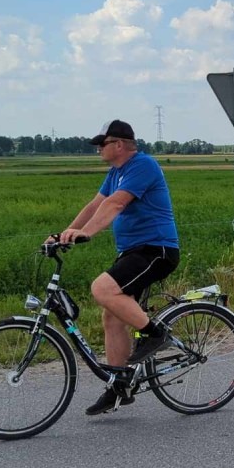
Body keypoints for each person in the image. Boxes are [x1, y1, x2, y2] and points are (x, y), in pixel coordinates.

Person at [56, 120, 180, 415]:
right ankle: (119, 387)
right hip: (134, 251)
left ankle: (155, 334)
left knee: (102, 288)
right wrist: (64, 233)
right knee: (112, 316)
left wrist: (88, 233)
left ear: (120, 144)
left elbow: (116, 204)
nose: (99, 148)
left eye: (103, 143)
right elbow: (95, 205)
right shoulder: (115, 173)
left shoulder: (143, 165)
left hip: (156, 249)